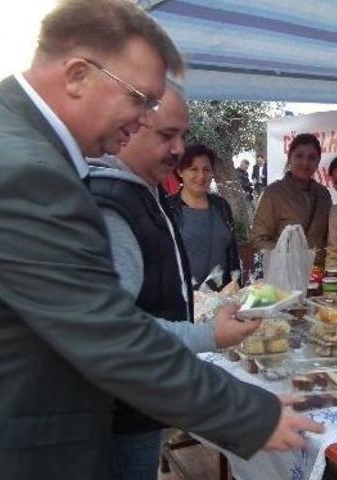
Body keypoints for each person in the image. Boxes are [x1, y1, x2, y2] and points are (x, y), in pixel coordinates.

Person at [0, 1, 321, 478]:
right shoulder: (21, 171)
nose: (144, 118)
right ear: (76, 76)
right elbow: (107, 331)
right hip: (2, 447)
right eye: (140, 98)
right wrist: (247, 411)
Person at [88, 84, 261, 479]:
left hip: (143, 395)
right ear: (128, 126)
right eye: (167, 135)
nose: (180, 150)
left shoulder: (143, 196)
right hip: (120, 406)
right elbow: (115, 330)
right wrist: (208, 335)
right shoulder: (114, 204)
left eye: (182, 136)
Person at [167, 144, 241, 290]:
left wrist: (236, 285)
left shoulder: (221, 206)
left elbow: (232, 252)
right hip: (185, 299)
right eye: (193, 169)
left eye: (206, 170)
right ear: (180, 171)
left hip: (223, 297)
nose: (201, 176)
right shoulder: (169, 209)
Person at [251, 133, 332, 254]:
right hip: (286, 271)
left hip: (317, 271)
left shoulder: (323, 194)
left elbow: (327, 239)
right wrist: (290, 255)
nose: (305, 162)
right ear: (289, 158)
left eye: (311, 158)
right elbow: (259, 240)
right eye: (299, 156)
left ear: (318, 161)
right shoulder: (273, 193)